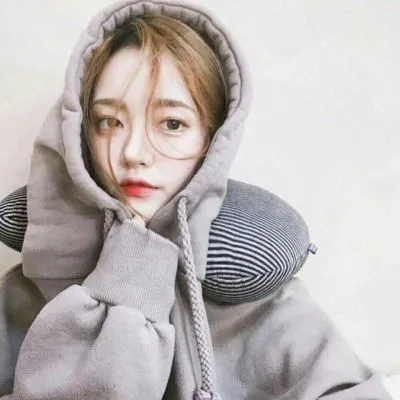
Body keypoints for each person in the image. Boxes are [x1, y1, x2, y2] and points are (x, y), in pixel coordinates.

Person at [0, 1, 392, 399]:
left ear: (212, 139)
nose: (133, 152)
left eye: (172, 123)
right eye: (109, 122)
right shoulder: (28, 290)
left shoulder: (266, 299)